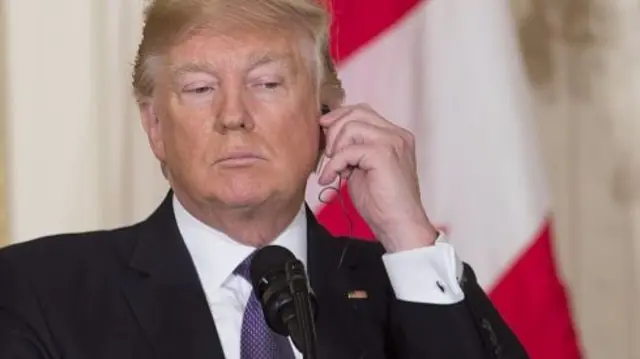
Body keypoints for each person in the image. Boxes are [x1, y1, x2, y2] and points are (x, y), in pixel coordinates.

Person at [0, 0, 529, 358]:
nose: (234, 115)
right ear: (155, 126)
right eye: (201, 88)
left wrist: (409, 236)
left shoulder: (405, 288)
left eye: (267, 82)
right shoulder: (38, 291)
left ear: (326, 113)